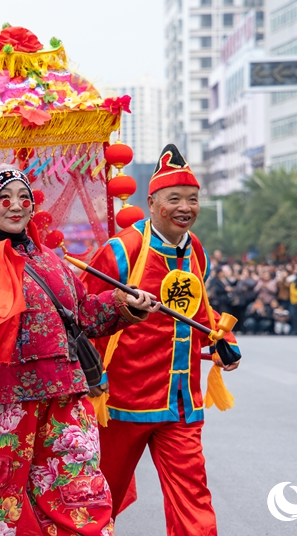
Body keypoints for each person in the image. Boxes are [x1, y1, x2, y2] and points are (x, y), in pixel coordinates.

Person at [0, 164, 157, 535]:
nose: (16, 206)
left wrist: (123, 302)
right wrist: (5, 255)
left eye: (24, 198)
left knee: (79, 494)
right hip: (1, 400)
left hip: (64, 394)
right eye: (3, 198)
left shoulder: (52, 261)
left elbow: (83, 314)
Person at [81, 145, 240, 536]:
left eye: (193, 199)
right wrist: (94, 372)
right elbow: (83, 314)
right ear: (151, 203)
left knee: (193, 498)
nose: (186, 207)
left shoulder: (195, 249)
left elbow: (199, 311)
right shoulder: (123, 250)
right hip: (122, 401)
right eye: (175, 198)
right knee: (100, 497)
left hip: (182, 403)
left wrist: (223, 339)